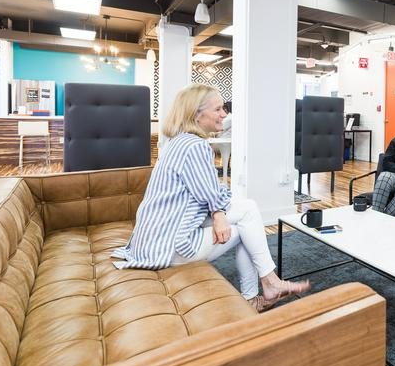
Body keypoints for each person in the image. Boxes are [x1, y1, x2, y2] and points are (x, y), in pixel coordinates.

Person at [112, 84, 310, 312]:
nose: (224, 114)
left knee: (247, 212)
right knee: (247, 226)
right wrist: (218, 213)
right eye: (218, 109)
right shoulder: (195, 147)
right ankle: (262, 289)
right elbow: (212, 195)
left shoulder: (177, 141)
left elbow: (211, 192)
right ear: (196, 114)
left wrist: (219, 210)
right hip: (168, 246)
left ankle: (265, 287)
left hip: (152, 240)